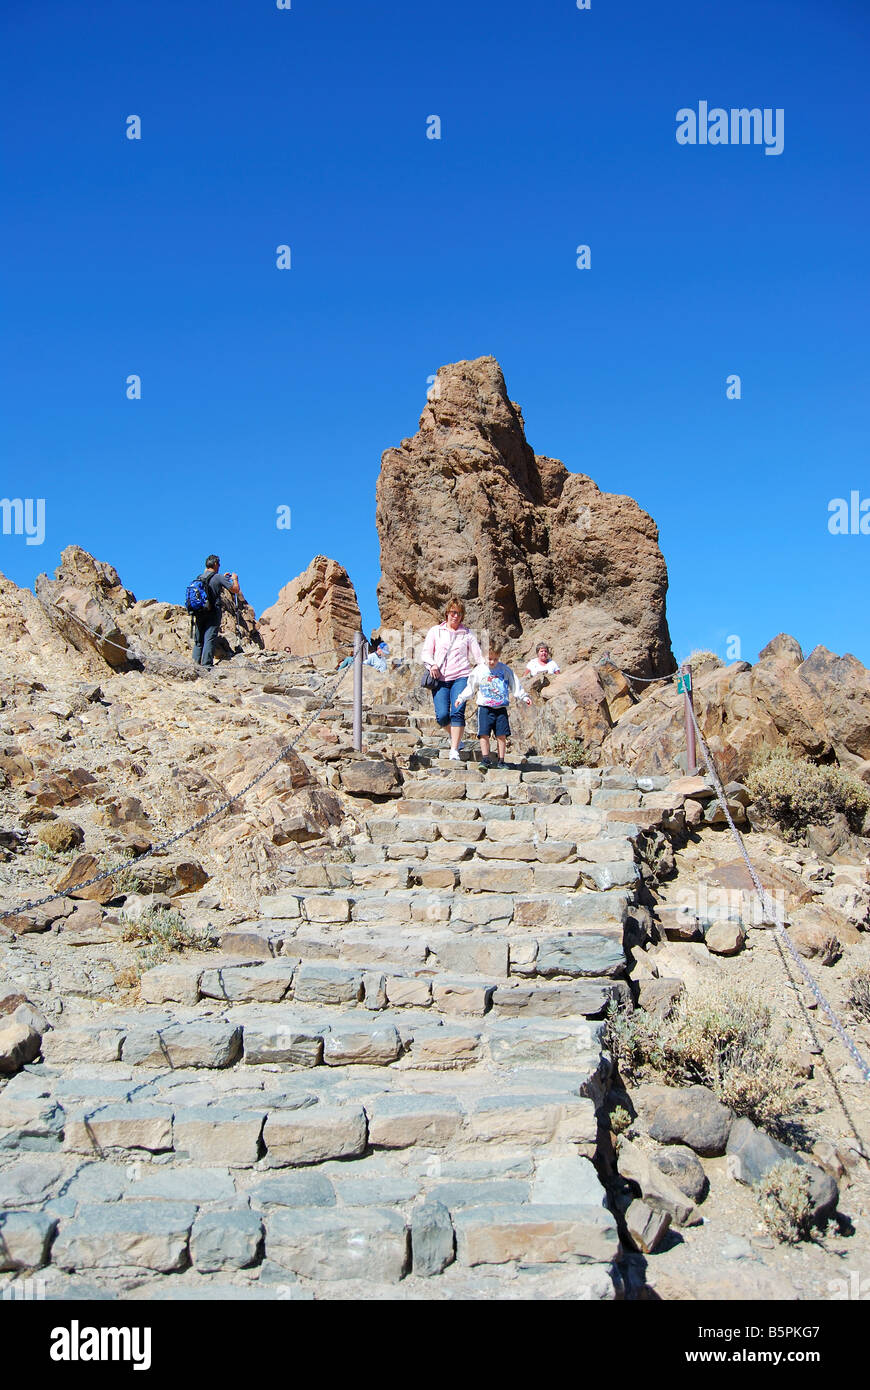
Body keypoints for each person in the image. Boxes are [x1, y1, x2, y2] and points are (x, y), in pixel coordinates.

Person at [420, 598, 484, 760]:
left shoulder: (467, 634)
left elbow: (478, 658)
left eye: (459, 613)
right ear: (447, 613)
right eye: (453, 612)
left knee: (457, 713)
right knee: (442, 716)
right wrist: (432, 664)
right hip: (440, 678)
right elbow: (426, 653)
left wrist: (487, 673)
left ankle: (454, 749)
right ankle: (456, 736)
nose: (455, 616)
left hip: (461, 677)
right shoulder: (436, 631)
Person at [455, 639, 531, 768]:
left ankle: (501, 760)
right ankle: (485, 759)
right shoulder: (479, 671)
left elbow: (514, 684)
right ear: (484, 656)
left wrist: (523, 696)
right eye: (489, 659)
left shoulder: (504, 669)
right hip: (485, 708)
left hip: (500, 708)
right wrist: (461, 698)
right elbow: (471, 687)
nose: (492, 662)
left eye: (495, 659)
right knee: (483, 734)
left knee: (501, 735)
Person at [191, 554, 240, 667]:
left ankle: (194, 665)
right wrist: (235, 579)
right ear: (216, 564)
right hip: (212, 613)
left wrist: (222, 577)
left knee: (198, 641)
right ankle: (206, 666)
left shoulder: (199, 577)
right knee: (209, 638)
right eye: (219, 564)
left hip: (198, 612)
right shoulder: (218, 577)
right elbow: (235, 590)